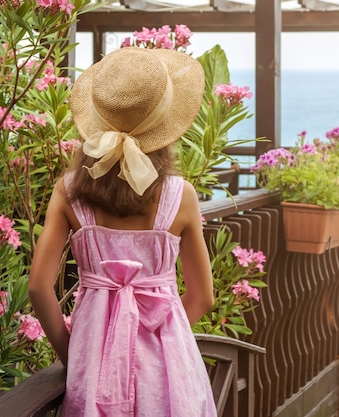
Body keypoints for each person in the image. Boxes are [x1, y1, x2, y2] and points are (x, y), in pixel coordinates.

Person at [28, 46, 217, 417]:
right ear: (164, 125)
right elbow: (203, 296)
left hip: (94, 361)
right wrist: (164, 339)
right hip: (167, 364)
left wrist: (75, 352)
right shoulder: (182, 196)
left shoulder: (69, 192)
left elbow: (37, 287)